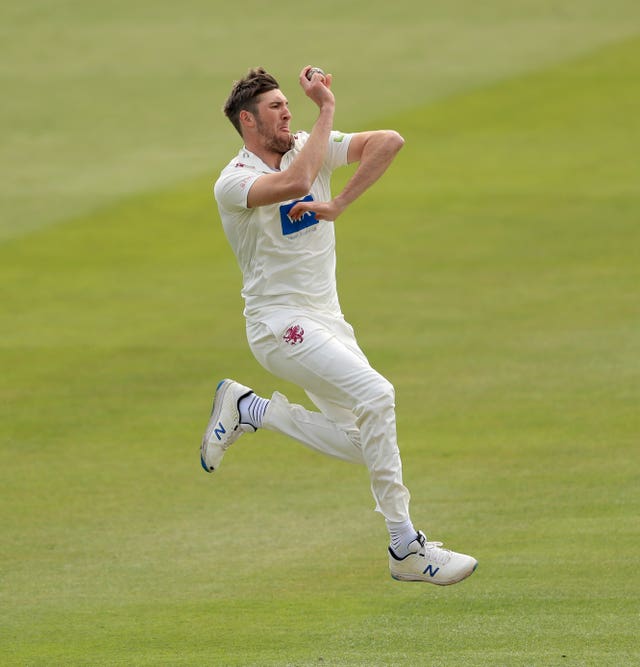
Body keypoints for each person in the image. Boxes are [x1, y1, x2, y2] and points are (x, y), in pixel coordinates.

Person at [201, 65, 477, 585]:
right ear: (247, 121)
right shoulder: (234, 181)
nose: (289, 112)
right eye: (276, 107)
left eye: (289, 104)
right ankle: (405, 547)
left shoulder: (308, 144)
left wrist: (341, 202)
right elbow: (297, 182)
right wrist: (327, 108)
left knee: (364, 440)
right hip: (278, 326)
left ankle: (250, 409)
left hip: (328, 321)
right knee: (378, 396)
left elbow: (389, 142)